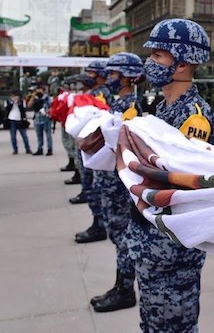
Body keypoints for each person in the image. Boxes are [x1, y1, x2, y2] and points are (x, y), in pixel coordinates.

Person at [126, 18, 214, 332]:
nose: (149, 62)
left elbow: (180, 179)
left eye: (158, 56)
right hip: (152, 241)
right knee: (154, 321)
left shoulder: (193, 115)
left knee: (173, 325)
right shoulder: (165, 107)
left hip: (170, 246)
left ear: (181, 64)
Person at [80, 52, 144, 313]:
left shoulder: (130, 106)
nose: (109, 79)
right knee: (116, 235)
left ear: (129, 77)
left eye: (114, 74)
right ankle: (120, 285)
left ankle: (125, 289)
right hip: (109, 180)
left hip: (118, 185)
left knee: (122, 237)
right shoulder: (119, 102)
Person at [72, 60, 110, 244]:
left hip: (95, 148)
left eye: (91, 73)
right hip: (89, 146)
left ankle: (99, 225)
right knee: (91, 188)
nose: (88, 76)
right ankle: (98, 222)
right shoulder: (93, 93)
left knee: (94, 189)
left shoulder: (100, 94)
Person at [5, 90, 32, 155]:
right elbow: (7, 109)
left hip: (20, 120)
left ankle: (27, 148)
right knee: (13, 136)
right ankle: (15, 149)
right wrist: (12, 103)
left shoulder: (22, 102)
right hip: (12, 119)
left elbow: (24, 110)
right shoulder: (8, 101)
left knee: (24, 135)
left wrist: (18, 103)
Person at [27, 86, 52, 156]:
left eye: (39, 90)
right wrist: (33, 96)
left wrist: (48, 111)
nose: (38, 91)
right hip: (37, 119)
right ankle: (40, 149)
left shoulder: (46, 98)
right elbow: (29, 105)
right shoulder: (35, 98)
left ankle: (49, 149)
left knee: (48, 135)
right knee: (39, 135)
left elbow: (51, 106)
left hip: (46, 118)